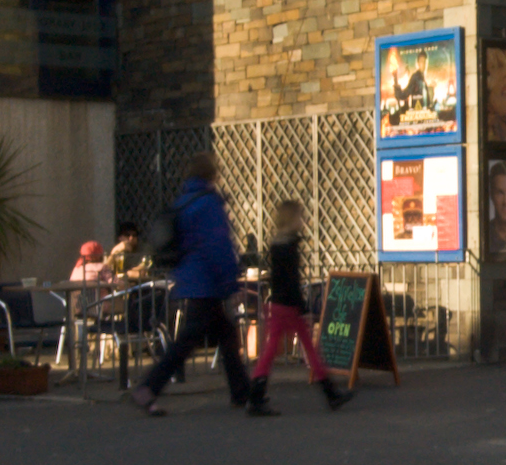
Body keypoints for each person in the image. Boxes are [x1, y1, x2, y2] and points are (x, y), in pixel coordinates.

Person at [129, 155, 250, 417]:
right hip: (207, 282)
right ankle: (148, 387)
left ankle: (242, 392)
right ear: (212, 175)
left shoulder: (184, 202)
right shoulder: (208, 204)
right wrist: (231, 282)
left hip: (190, 279)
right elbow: (219, 246)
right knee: (187, 342)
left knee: (225, 336)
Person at [244, 199, 349, 415]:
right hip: (289, 305)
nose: (303, 220)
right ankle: (330, 393)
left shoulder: (276, 244)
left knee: (273, 350)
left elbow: (279, 279)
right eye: (300, 216)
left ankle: (256, 393)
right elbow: (291, 280)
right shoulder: (289, 246)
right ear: (292, 219)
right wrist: (302, 307)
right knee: (308, 350)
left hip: (279, 303)